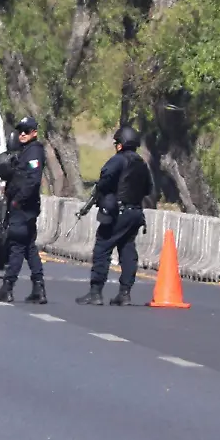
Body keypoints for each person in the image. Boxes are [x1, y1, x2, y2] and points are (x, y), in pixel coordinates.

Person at [76, 126, 153, 306]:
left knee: (102, 247)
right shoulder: (142, 163)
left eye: (117, 143)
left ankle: (95, 292)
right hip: (136, 213)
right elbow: (149, 189)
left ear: (120, 144)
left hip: (118, 213)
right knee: (127, 250)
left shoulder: (118, 160)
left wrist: (105, 194)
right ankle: (124, 293)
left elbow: (104, 181)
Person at [0, 116, 47, 304]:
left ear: (34, 133)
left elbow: (33, 180)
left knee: (16, 246)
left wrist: (18, 201)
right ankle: (39, 288)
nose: (22, 134)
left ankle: (7, 288)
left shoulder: (34, 152)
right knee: (29, 247)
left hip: (23, 208)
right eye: (20, 130)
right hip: (22, 207)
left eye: (26, 131)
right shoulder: (24, 151)